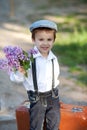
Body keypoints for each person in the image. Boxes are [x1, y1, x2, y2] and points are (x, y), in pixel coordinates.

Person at [10, 19, 60, 130]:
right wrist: (20, 71)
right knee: (36, 124)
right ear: (33, 39)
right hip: (37, 98)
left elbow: (55, 76)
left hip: (53, 96)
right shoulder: (27, 59)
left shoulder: (53, 58)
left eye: (49, 39)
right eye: (41, 39)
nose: (45, 43)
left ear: (53, 41)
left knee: (54, 123)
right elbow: (15, 78)